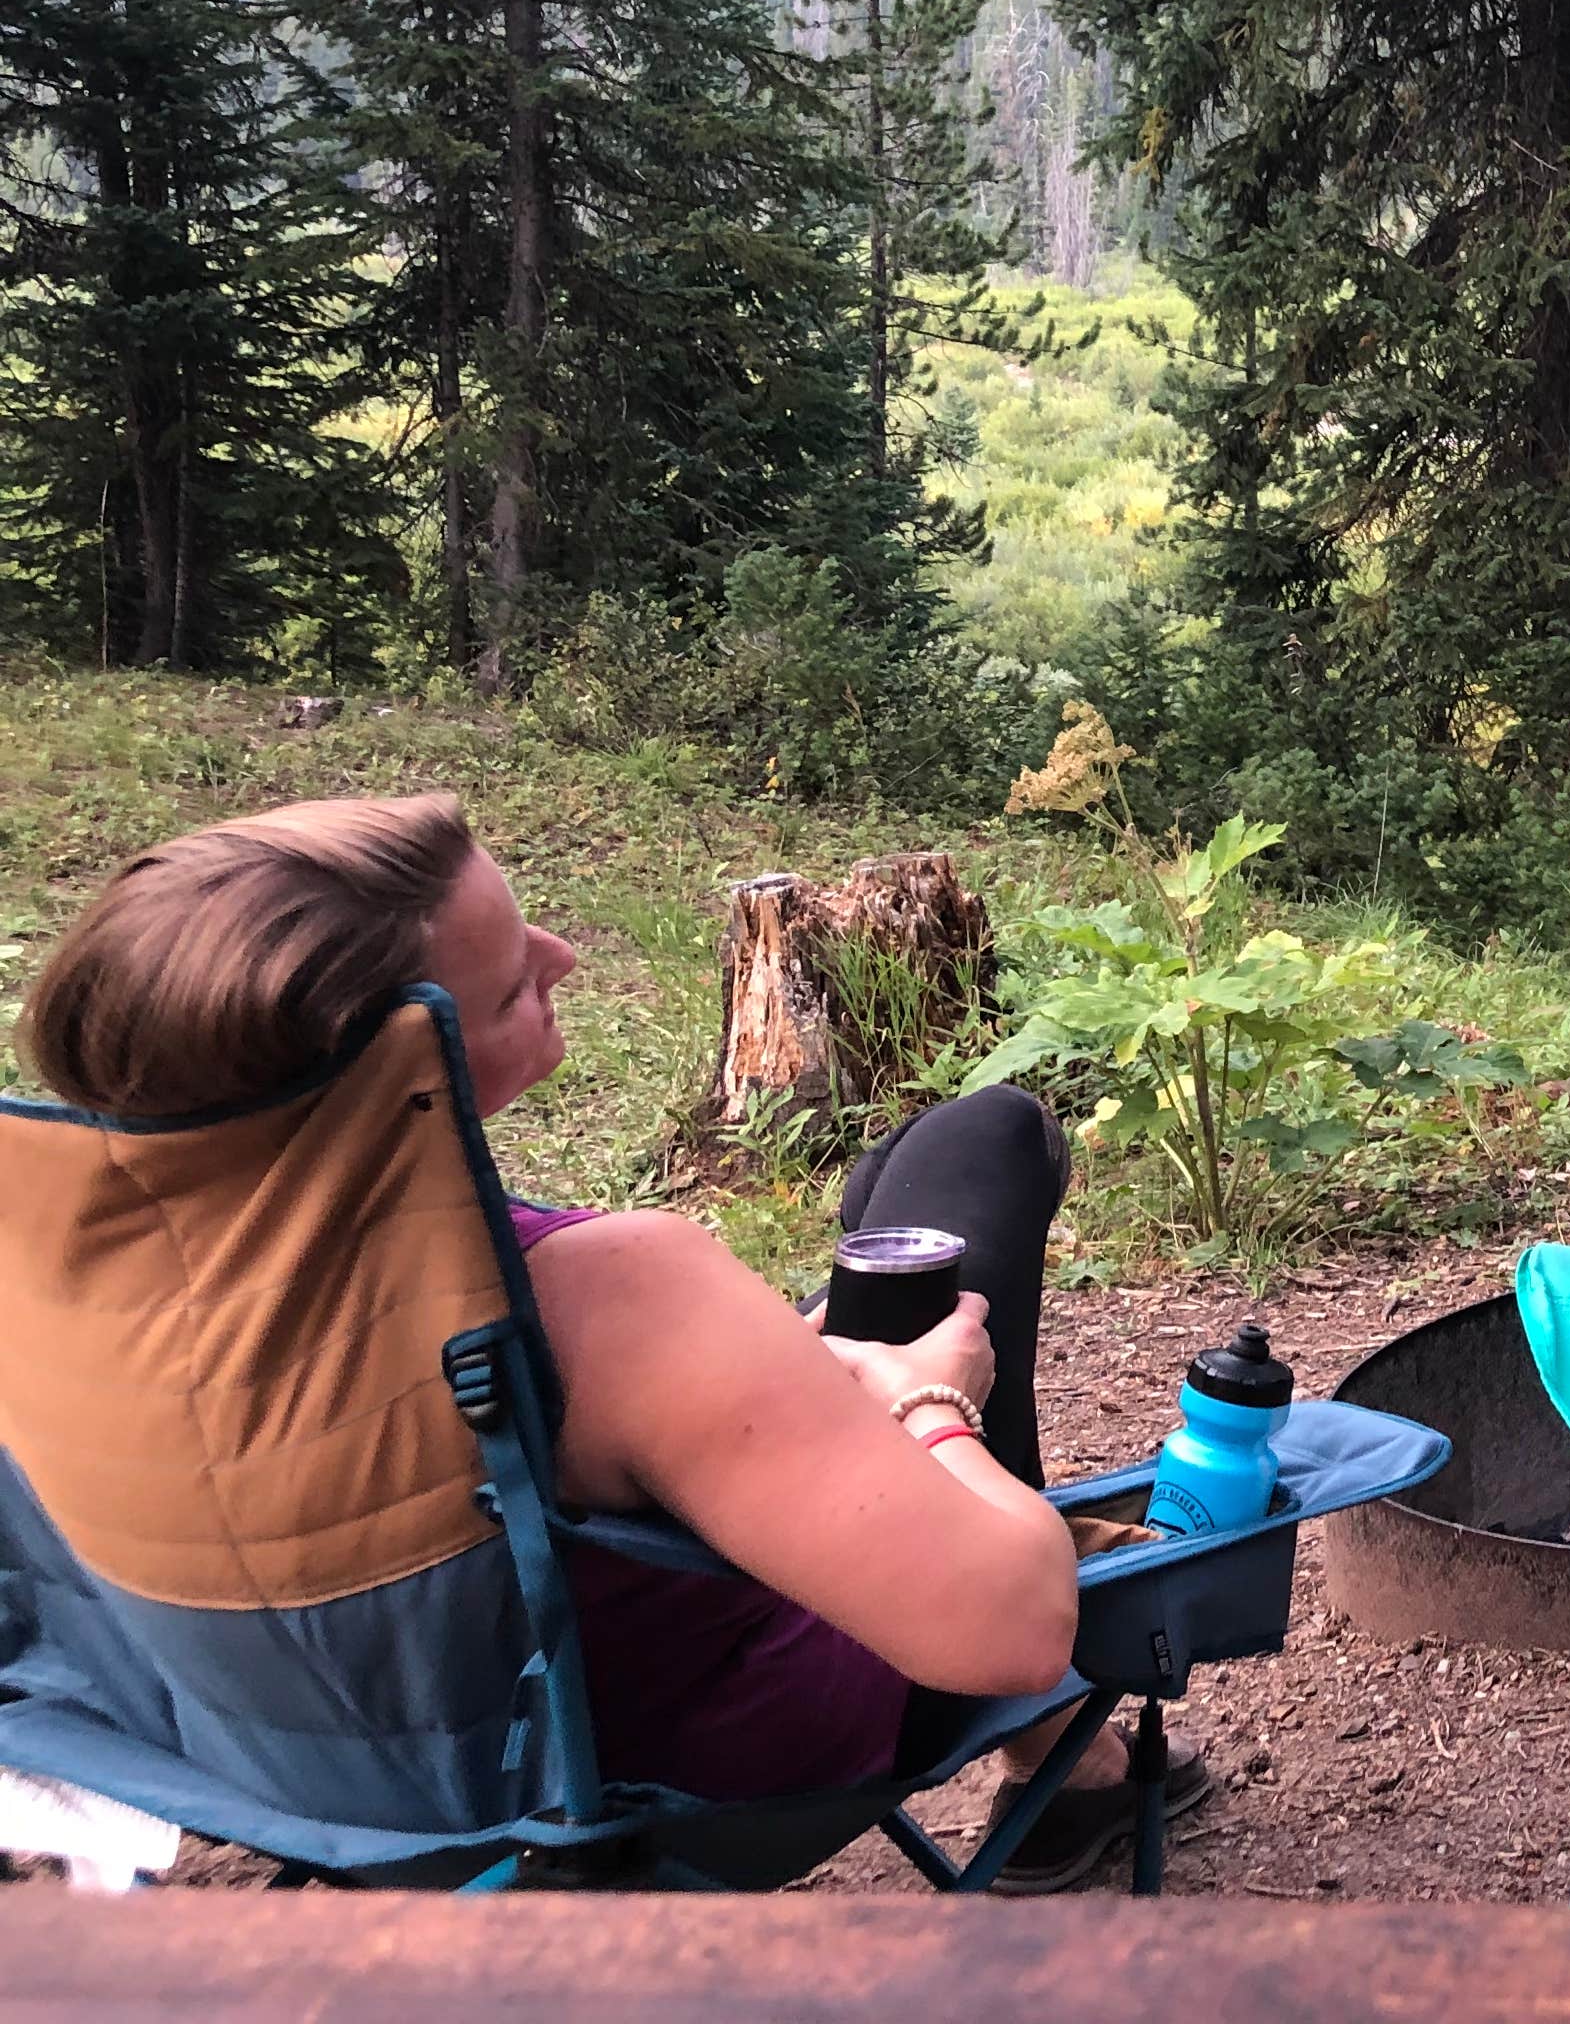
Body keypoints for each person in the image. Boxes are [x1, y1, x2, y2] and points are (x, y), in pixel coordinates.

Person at [14, 794, 1190, 1892]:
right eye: (514, 982)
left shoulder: (50, 1287)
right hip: (663, 1790)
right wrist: (929, 1402)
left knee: (888, 1197)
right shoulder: (610, 1294)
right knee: (977, 1147)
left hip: (302, 1787)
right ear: (399, 1077)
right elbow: (1013, 1631)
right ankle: (1062, 1772)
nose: (564, 962)